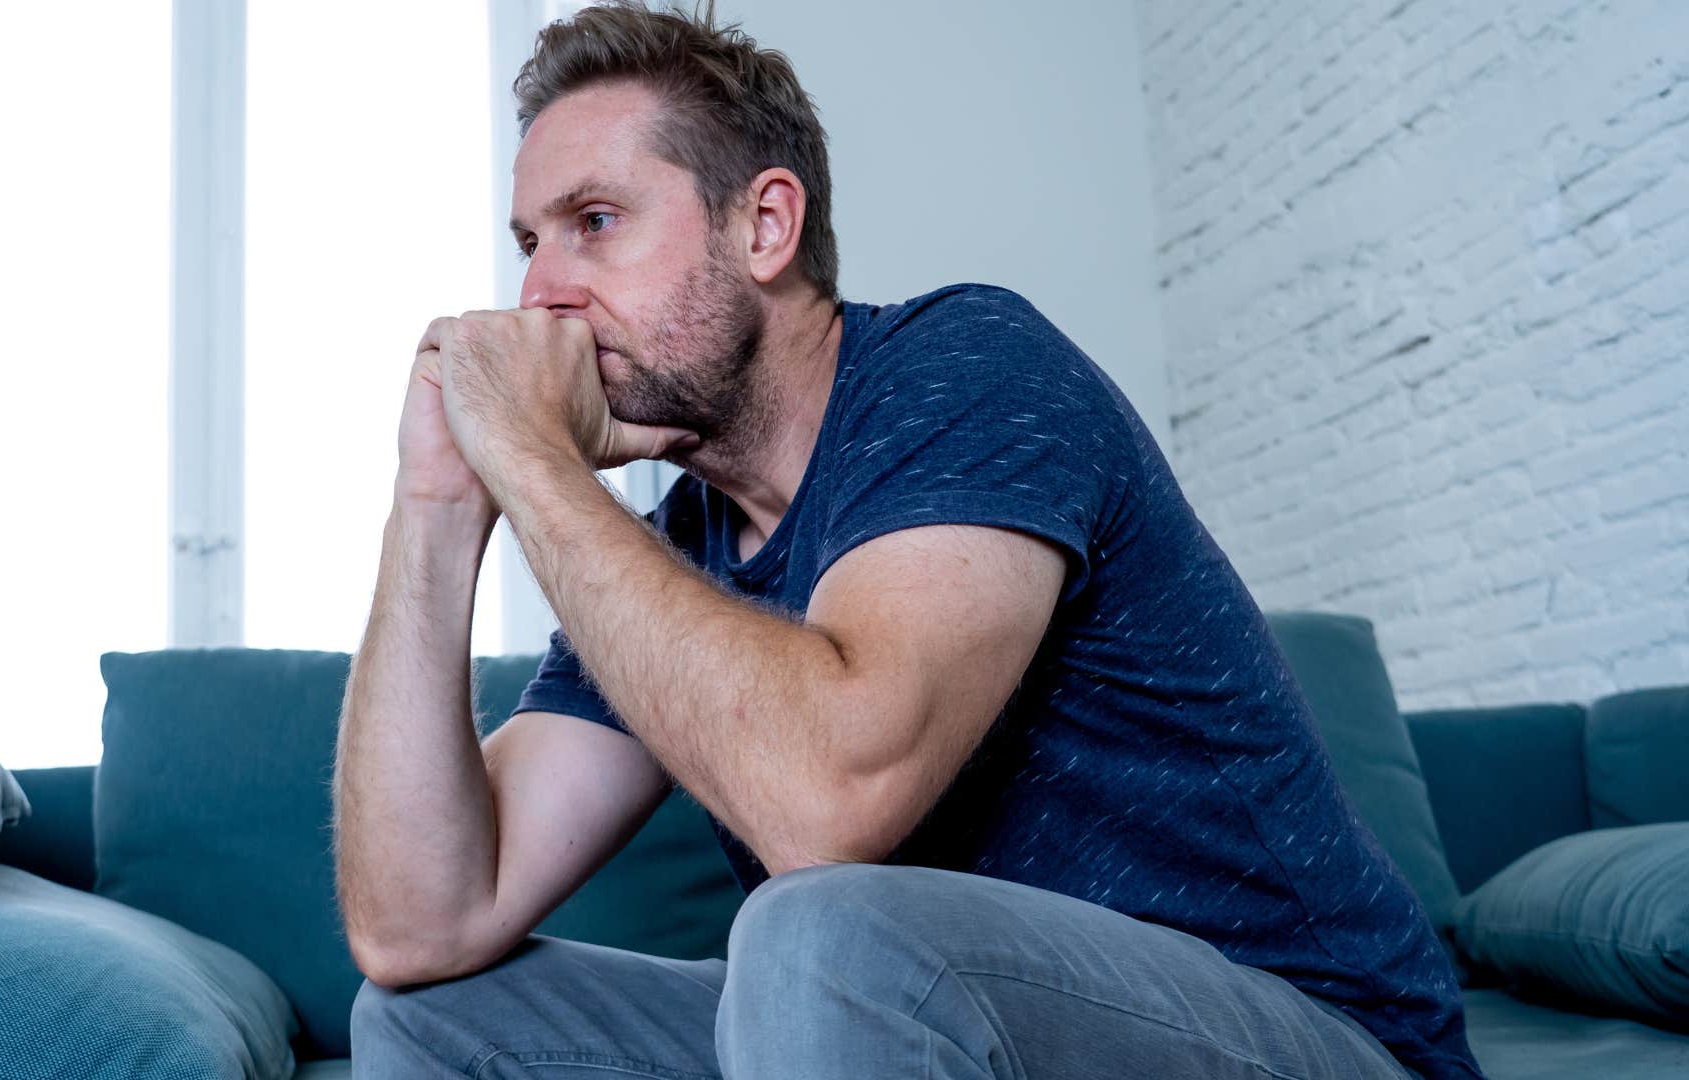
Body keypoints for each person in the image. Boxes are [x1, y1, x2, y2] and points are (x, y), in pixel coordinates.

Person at [332, 2, 1484, 1077]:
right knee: (431, 1023)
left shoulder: (965, 370)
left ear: (765, 226)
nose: (539, 295)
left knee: (816, 923)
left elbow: (831, 802)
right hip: (931, 1023)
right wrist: (437, 501)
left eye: (595, 223)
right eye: (530, 240)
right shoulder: (671, 551)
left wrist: (530, 463)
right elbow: (419, 926)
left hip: (1306, 1032)